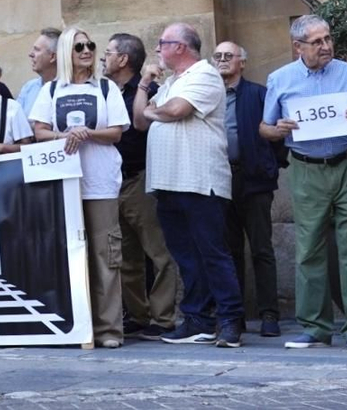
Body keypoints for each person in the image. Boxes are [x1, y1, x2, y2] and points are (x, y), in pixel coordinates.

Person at [258, 17, 347, 352]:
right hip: (307, 168)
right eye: (317, 41)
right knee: (309, 248)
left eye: (328, 39)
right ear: (299, 46)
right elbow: (264, 129)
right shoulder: (280, 79)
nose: (326, 46)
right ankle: (315, 327)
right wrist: (277, 129)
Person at [145, 23, 243, 348]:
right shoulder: (171, 81)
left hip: (200, 181)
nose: (157, 49)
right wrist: (146, 85)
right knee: (186, 256)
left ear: (181, 47)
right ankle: (198, 320)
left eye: (163, 43)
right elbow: (138, 119)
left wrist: (153, 110)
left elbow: (176, 110)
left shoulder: (204, 73)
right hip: (168, 182)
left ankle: (230, 320)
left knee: (212, 253)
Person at [29, 29, 130, 348]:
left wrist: (86, 133)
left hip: (99, 182)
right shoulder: (50, 90)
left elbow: (116, 131)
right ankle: (73, 326)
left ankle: (108, 329)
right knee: (68, 256)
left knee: (105, 256)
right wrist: (66, 136)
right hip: (63, 181)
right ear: (64, 52)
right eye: (78, 46)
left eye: (90, 45)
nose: (86, 50)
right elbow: (39, 130)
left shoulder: (105, 87)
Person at [103, 33, 178, 340]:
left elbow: (142, 126)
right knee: (127, 256)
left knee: (158, 252)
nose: (102, 58)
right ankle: (138, 315)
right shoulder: (104, 91)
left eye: (107, 52)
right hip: (112, 182)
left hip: (140, 178)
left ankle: (163, 318)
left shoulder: (150, 90)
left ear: (123, 59)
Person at [215, 41, 282, 339]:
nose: (222, 60)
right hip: (220, 180)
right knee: (228, 251)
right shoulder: (209, 96)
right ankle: (235, 315)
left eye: (229, 56)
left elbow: (277, 134)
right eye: (217, 56)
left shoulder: (258, 93)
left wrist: (270, 166)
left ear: (242, 62)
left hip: (254, 180)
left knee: (261, 249)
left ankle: (269, 313)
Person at [16, 27, 62, 127]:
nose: (31, 54)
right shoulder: (28, 88)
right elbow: (16, 126)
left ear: (53, 57)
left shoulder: (70, 87)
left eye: (37, 50)